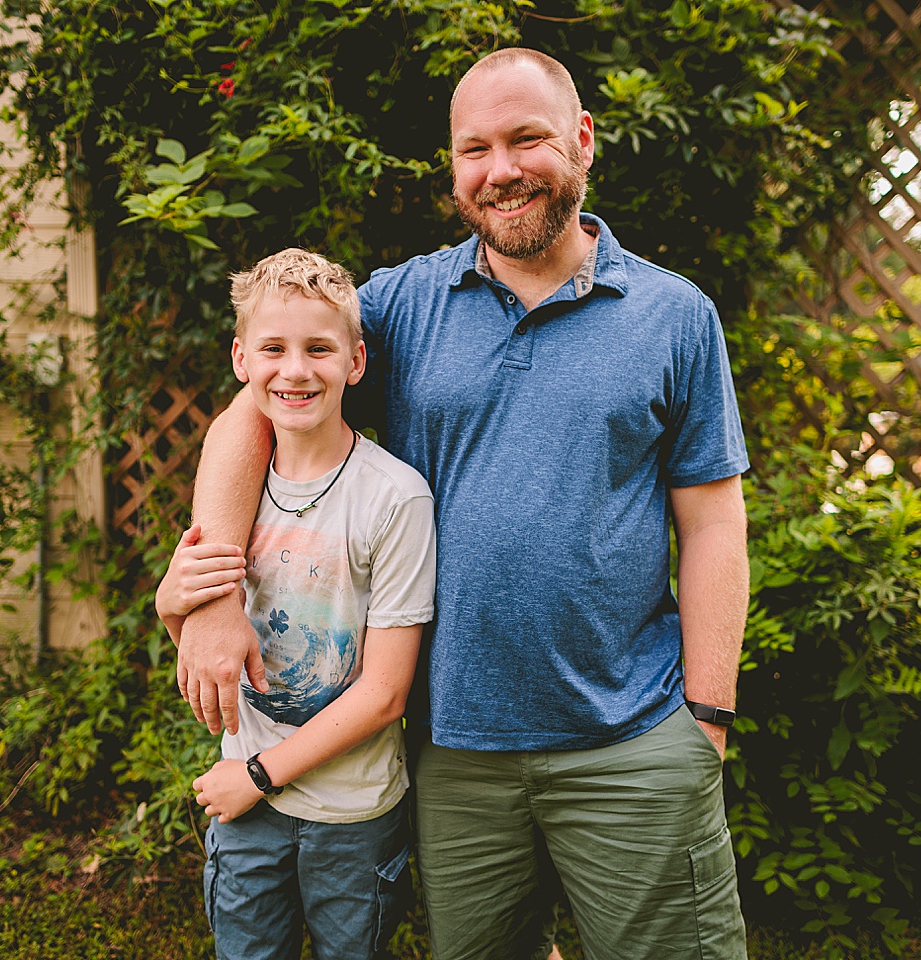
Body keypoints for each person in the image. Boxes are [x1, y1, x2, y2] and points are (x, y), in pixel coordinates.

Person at [163, 48, 750, 960]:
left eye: (527, 140)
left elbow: (713, 524)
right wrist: (210, 596)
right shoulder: (398, 307)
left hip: (630, 735)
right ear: (453, 166)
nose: (502, 170)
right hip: (453, 750)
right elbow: (255, 406)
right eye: (476, 148)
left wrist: (707, 719)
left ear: (582, 140)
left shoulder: (672, 316)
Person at [155, 248, 437, 960]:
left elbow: (386, 692)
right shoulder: (232, 499)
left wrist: (254, 776)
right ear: (241, 359)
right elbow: (204, 654)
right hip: (247, 811)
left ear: (356, 361)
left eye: (319, 348)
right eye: (274, 349)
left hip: (352, 811)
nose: (296, 370)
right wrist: (170, 604)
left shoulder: (396, 497)